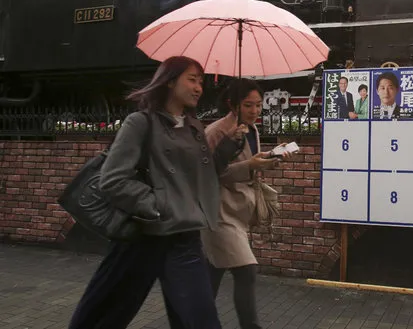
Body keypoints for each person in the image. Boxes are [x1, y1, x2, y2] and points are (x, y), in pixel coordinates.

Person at [67, 56, 244, 329]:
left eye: (201, 81)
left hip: (184, 238)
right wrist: (158, 206)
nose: (199, 87)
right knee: (104, 315)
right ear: (170, 81)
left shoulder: (194, 127)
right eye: (192, 79)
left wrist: (229, 146)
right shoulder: (140, 123)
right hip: (143, 236)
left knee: (200, 319)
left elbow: (202, 176)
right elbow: (113, 179)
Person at [201, 78, 292, 329]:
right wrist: (249, 165)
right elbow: (208, 173)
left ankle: (193, 319)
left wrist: (270, 159)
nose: (254, 111)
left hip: (239, 211)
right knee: (246, 270)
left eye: (258, 105)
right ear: (233, 104)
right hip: (219, 212)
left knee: (212, 273)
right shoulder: (217, 131)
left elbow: (250, 167)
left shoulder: (252, 129)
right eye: (248, 105)